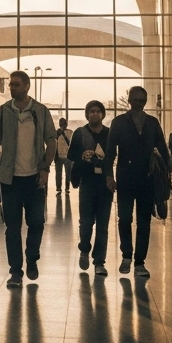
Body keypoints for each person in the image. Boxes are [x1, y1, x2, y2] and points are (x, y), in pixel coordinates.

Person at [0, 70, 58, 288]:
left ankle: (32, 258)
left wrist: (45, 168)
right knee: (12, 227)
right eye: (11, 85)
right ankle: (15, 271)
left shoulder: (40, 111)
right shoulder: (4, 111)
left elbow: (51, 140)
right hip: (9, 179)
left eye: (16, 84)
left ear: (27, 86)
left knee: (36, 222)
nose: (12, 88)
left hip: (34, 178)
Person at [107, 86, 171, 277]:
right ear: (129, 100)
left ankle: (140, 262)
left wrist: (167, 172)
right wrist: (109, 175)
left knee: (144, 221)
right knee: (125, 217)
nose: (139, 104)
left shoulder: (152, 122)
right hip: (125, 177)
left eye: (142, 101)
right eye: (136, 100)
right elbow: (110, 151)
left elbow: (162, 147)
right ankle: (127, 255)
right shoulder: (119, 122)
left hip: (147, 178)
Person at [68, 100, 114, 275]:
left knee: (103, 224)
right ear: (87, 115)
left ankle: (99, 261)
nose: (95, 114)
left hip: (105, 183)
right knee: (86, 222)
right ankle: (84, 249)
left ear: (103, 114)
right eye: (91, 111)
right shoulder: (80, 133)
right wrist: (83, 156)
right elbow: (72, 156)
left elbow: (113, 155)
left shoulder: (109, 134)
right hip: (87, 183)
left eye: (97, 111)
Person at [54, 117, 73, 194]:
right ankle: (60, 188)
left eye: (63, 124)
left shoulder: (70, 132)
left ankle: (65, 188)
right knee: (59, 173)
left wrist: (62, 134)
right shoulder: (56, 133)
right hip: (60, 156)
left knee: (67, 173)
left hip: (67, 157)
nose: (62, 125)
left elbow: (70, 143)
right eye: (61, 124)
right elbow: (54, 144)